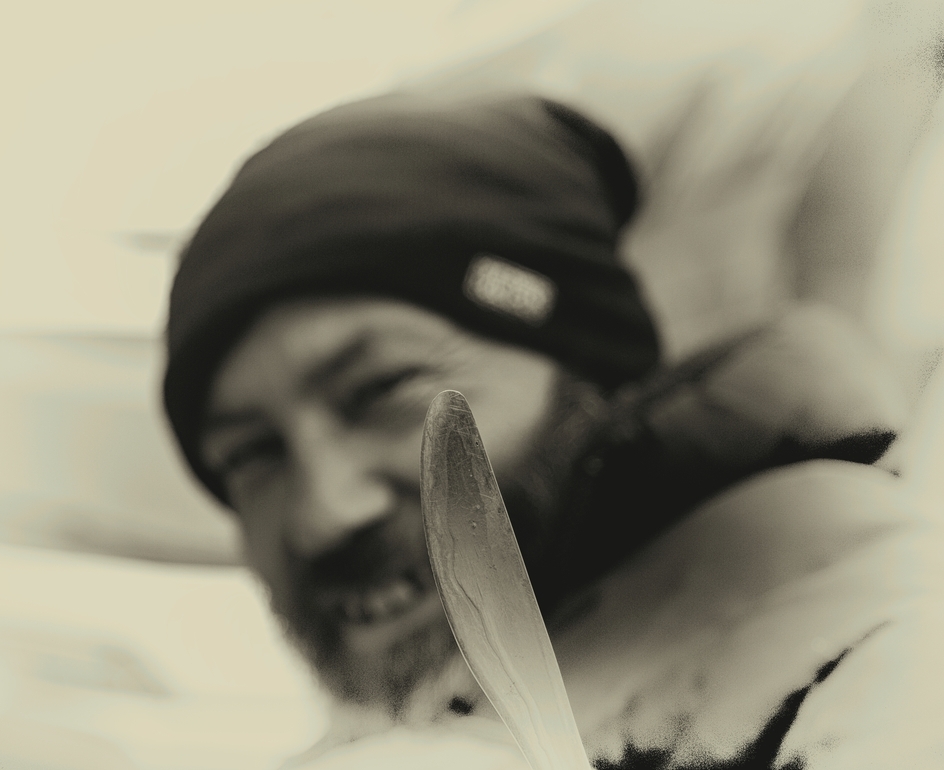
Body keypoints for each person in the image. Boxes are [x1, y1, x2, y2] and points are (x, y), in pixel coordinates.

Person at [159, 81, 944, 769]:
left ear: (588, 372)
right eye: (251, 455)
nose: (326, 512)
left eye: (384, 389)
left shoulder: (891, 651)